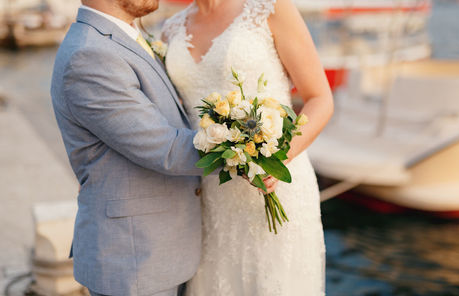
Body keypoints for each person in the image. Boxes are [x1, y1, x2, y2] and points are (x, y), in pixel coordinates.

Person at [49, 0, 233, 294]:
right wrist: (247, 152)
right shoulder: (90, 54)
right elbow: (166, 149)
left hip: (161, 248)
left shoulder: (125, 37)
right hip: (134, 261)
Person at [162, 0, 334, 295]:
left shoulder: (272, 8)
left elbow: (320, 98)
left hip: (276, 183)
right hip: (209, 197)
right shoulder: (170, 30)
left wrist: (276, 158)